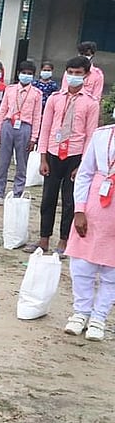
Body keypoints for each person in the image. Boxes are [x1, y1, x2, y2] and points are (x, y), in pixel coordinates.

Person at [25, 56, 101, 255]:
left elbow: (90, 136)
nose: (74, 77)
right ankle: (43, 239)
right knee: (48, 198)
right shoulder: (55, 98)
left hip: (75, 156)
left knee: (70, 201)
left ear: (85, 75)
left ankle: (64, 241)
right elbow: (46, 128)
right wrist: (42, 157)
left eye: (78, 73)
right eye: (71, 73)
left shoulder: (91, 103)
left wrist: (83, 165)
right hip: (53, 153)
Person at [63, 123, 115, 341]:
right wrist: (79, 210)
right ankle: (81, 312)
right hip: (94, 208)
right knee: (82, 265)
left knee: (111, 272)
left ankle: (99, 317)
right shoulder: (102, 135)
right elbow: (84, 174)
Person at [0, 61, 42, 206]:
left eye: (29, 74)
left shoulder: (37, 93)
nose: (26, 76)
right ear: (18, 73)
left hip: (25, 127)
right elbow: (3, 110)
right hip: (8, 124)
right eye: (23, 73)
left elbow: (37, 116)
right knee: (3, 161)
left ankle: (17, 194)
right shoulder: (10, 90)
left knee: (21, 162)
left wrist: (34, 137)